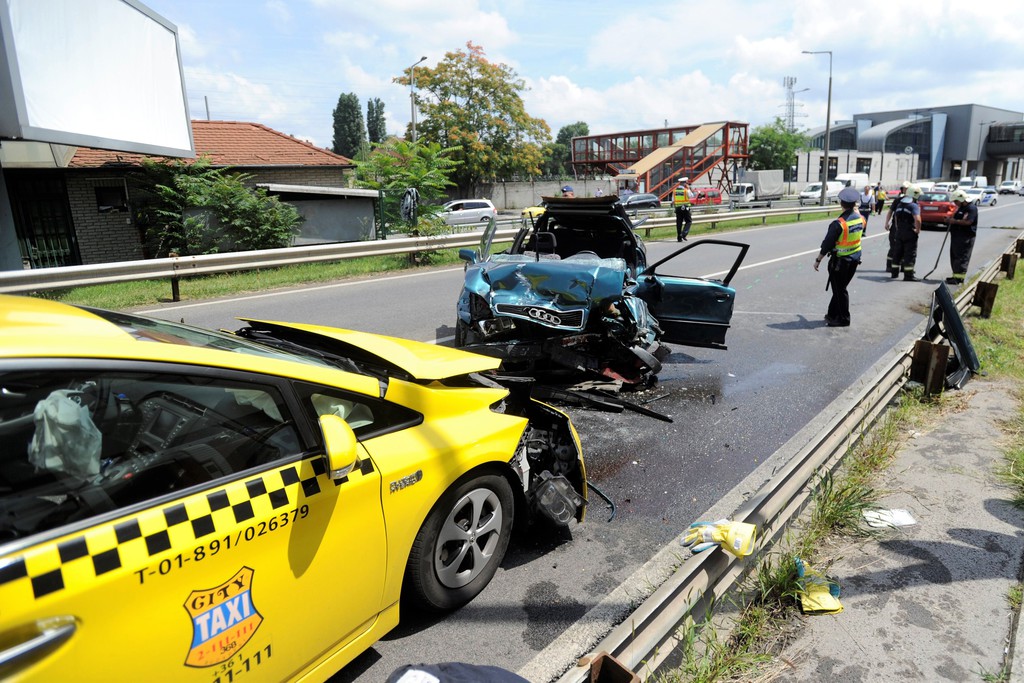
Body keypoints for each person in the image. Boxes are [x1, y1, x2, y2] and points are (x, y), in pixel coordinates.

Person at [813, 186, 865, 327]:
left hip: (840, 262)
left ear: (841, 203)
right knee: (839, 288)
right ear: (855, 204)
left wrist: (818, 260)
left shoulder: (839, 224)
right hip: (854, 260)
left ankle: (843, 319)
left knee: (840, 290)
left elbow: (827, 244)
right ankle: (832, 314)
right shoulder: (861, 219)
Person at [888, 184, 923, 281]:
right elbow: (918, 219)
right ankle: (908, 275)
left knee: (897, 253)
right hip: (910, 233)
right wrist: (918, 230)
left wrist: (897, 228)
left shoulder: (900, 204)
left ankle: (894, 273)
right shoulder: (913, 205)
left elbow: (895, 217)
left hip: (899, 232)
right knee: (909, 254)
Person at [945, 188, 978, 285]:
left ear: (961, 199)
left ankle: (959, 279)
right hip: (957, 236)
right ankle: (955, 276)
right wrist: (949, 220)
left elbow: (969, 221)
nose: (955, 203)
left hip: (965, 237)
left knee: (962, 258)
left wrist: (954, 221)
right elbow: (957, 218)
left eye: (956, 201)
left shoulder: (971, 208)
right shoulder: (961, 208)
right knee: (955, 257)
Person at [883, 181, 910, 272]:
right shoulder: (898, 200)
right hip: (895, 228)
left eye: (907, 189)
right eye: (904, 189)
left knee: (905, 248)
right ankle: (889, 266)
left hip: (907, 229)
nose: (905, 190)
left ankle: (903, 266)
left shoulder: (913, 201)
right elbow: (890, 212)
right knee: (894, 247)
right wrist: (887, 223)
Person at [673, 177, 693, 241]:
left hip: (678, 208)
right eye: (686, 182)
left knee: (679, 223)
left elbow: (673, 200)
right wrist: (689, 189)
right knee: (688, 221)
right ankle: (683, 233)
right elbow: (691, 196)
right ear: (685, 183)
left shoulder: (675, 191)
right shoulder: (686, 190)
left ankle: (679, 237)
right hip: (685, 208)